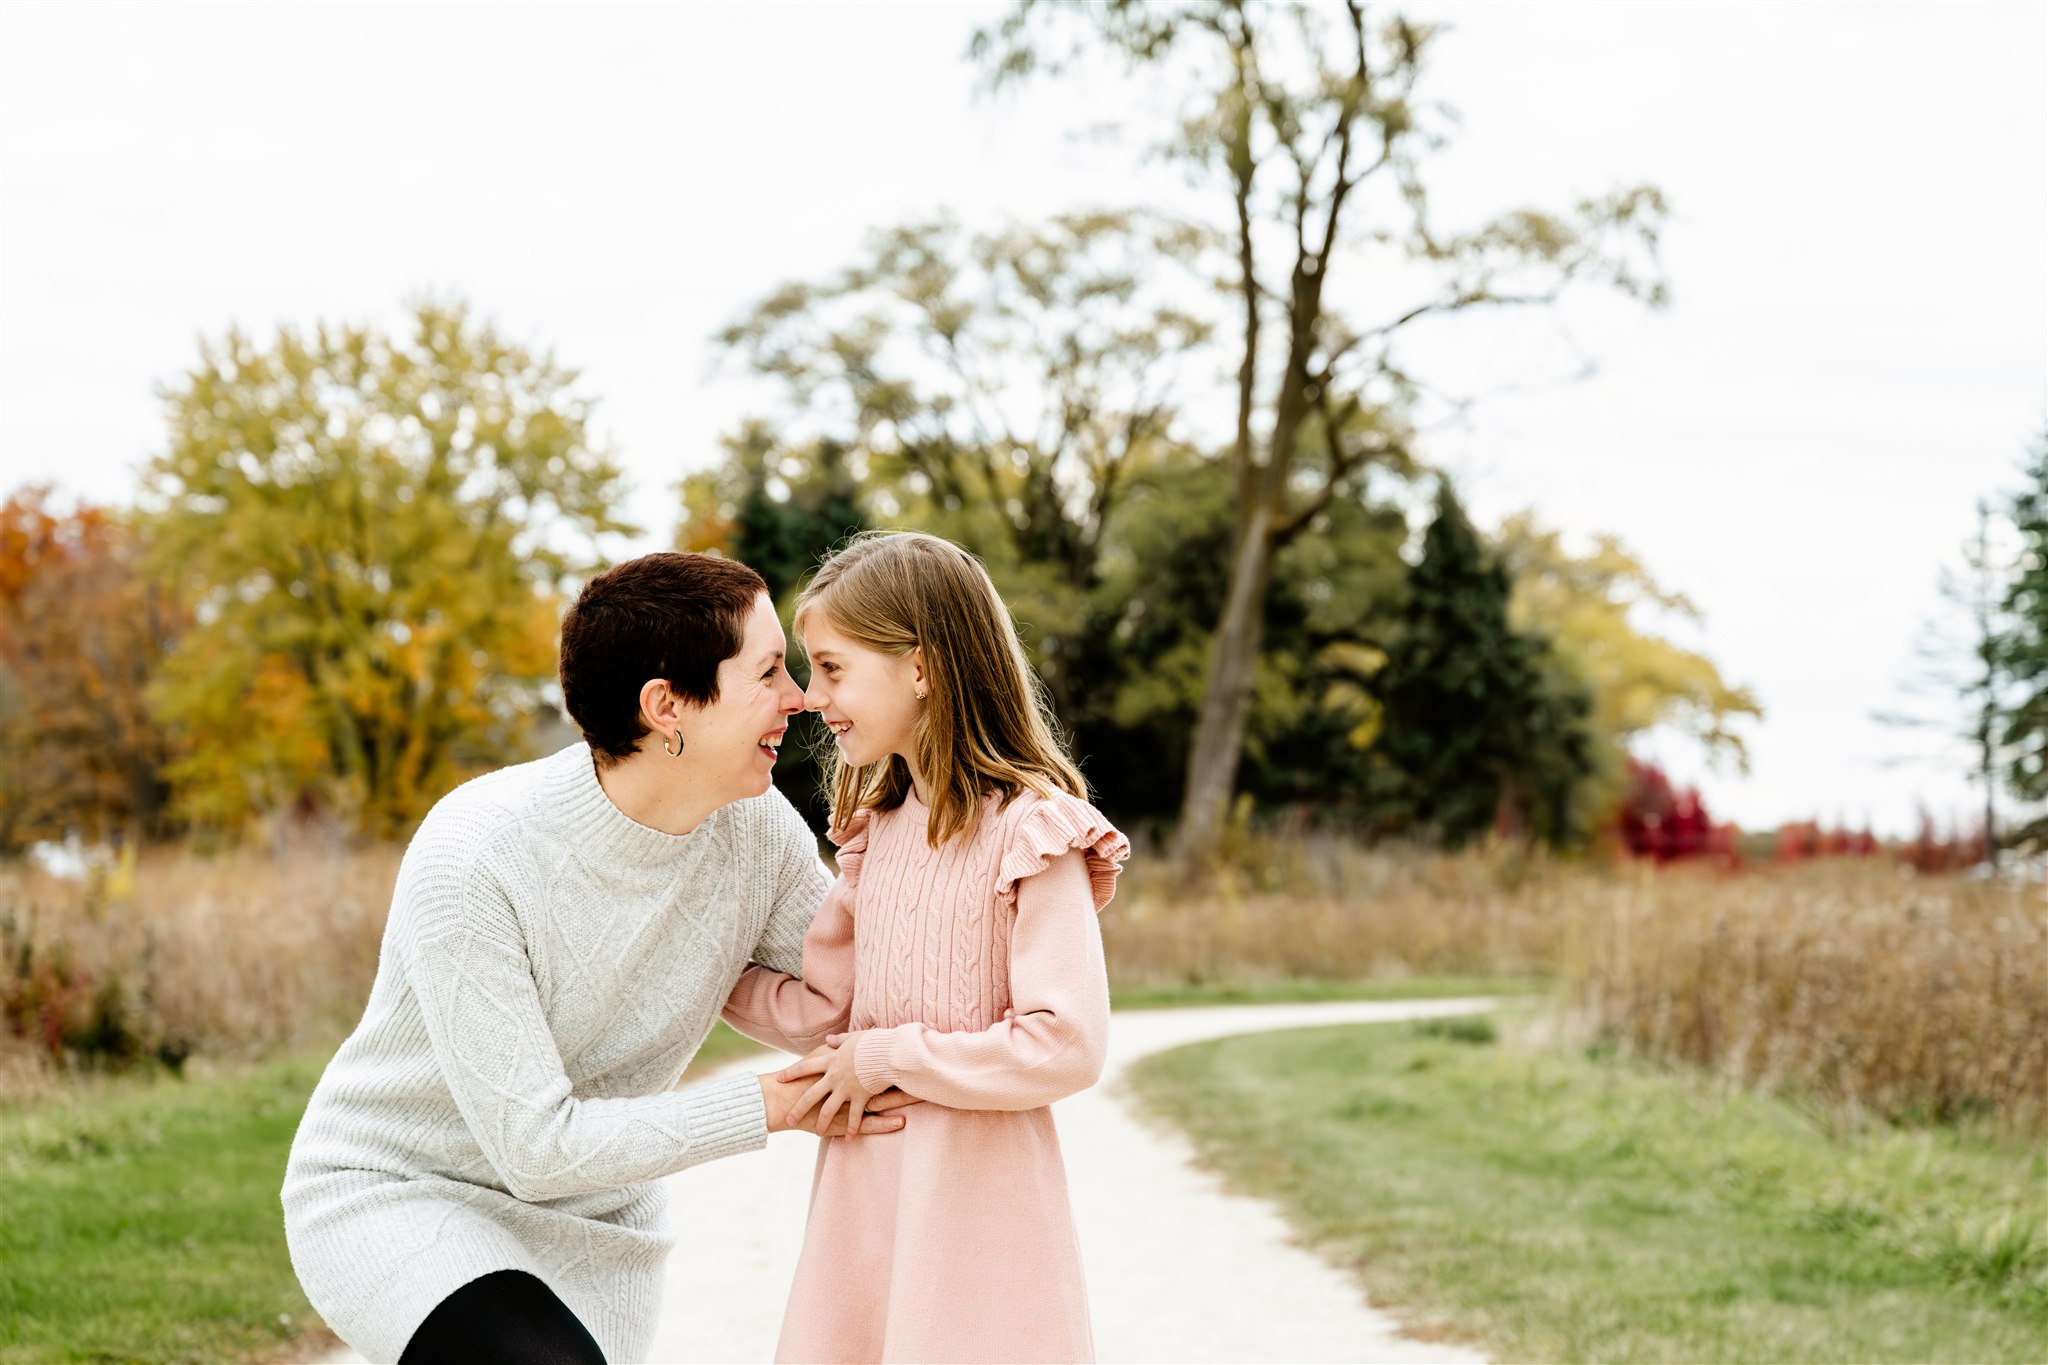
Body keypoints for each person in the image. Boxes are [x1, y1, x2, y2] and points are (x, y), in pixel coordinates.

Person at [281, 552, 917, 1365]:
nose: (798, 697)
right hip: (403, 1190)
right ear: (666, 707)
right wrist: (773, 1103)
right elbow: (535, 1145)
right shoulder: (476, 854)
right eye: (766, 673)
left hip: (600, 1222)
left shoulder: (756, 834)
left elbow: (868, 1000)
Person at [721, 530, 1129, 1364]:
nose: (813, 695)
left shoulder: (1033, 834)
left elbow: (1066, 1042)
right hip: (866, 1201)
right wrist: (702, 971)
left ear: (922, 667)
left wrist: (887, 1057)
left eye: (834, 667)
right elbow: (828, 1008)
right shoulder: (878, 833)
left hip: (979, 1212)